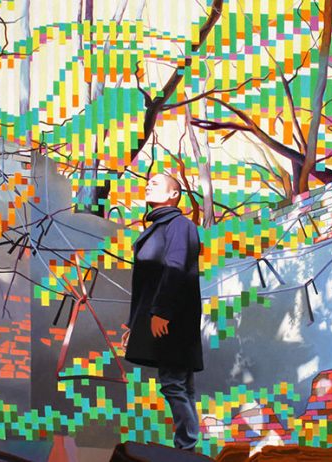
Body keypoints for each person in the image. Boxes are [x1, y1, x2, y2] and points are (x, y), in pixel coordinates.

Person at [121, 173, 204, 452]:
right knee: (179, 383)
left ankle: (186, 446)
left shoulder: (179, 225)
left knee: (174, 382)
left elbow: (175, 266)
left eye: (156, 183)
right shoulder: (156, 229)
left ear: (173, 194)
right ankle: (187, 448)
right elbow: (144, 284)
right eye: (148, 182)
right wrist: (133, 324)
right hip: (161, 313)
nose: (148, 185)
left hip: (174, 316)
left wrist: (162, 312)